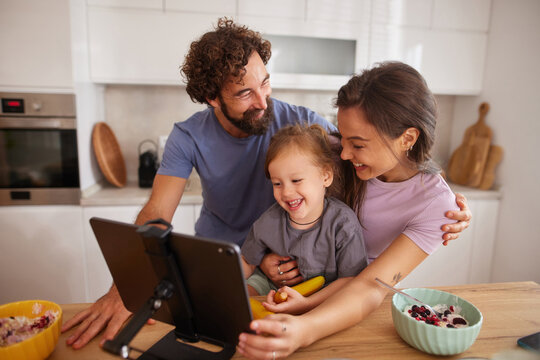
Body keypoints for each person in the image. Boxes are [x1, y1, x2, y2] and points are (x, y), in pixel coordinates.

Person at [61, 18, 471, 350]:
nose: (263, 101)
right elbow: (156, 213)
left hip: (309, 280)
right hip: (235, 268)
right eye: (244, 92)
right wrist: (128, 285)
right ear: (212, 98)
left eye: (266, 83)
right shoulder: (192, 137)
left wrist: (445, 200)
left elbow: (392, 159)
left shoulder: (306, 130)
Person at [237, 61, 467, 360]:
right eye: (342, 137)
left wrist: (304, 329)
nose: (343, 153)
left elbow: (371, 285)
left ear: (407, 139)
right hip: (290, 289)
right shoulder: (331, 152)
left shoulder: (438, 207)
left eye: (357, 145)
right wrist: (267, 259)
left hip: (346, 308)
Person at [241, 124, 368, 315]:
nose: (286, 192)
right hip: (271, 286)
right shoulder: (269, 220)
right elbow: (248, 261)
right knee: (243, 299)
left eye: (296, 180)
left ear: (326, 176)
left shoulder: (343, 224)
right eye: (277, 183)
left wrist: (308, 303)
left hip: (326, 293)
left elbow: (350, 280)